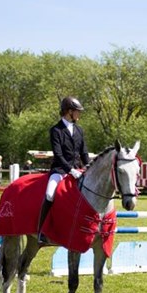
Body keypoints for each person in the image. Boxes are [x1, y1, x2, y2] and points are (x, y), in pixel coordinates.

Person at [37, 97, 90, 243]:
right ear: (69, 112)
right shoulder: (56, 130)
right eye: (77, 112)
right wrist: (70, 170)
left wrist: (88, 166)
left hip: (78, 170)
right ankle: (41, 230)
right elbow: (58, 154)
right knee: (50, 194)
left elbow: (84, 152)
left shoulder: (79, 130)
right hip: (60, 170)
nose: (79, 115)